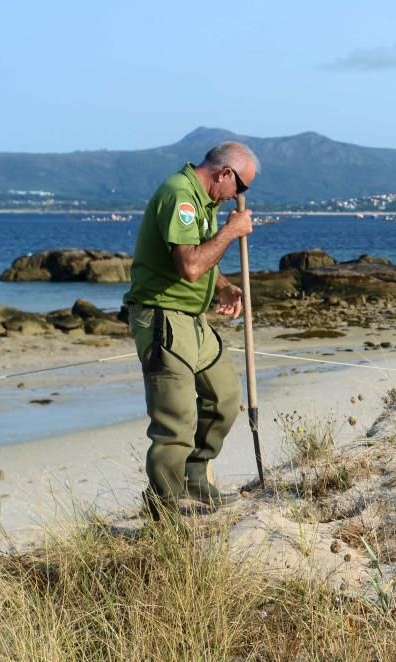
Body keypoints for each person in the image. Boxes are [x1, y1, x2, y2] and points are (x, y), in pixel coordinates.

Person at [123, 142, 258, 519]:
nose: (239, 198)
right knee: (175, 422)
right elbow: (190, 266)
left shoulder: (205, 202)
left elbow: (203, 262)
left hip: (193, 320)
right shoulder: (180, 195)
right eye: (241, 187)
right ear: (224, 174)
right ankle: (165, 508)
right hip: (164, 318)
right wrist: (232, 231)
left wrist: (224, 286)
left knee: (226, 398)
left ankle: (196, 480)